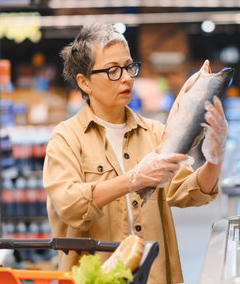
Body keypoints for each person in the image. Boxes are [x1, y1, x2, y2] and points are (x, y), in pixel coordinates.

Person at [42, 22, 228, 284]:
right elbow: (70, 206)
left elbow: (189, 192)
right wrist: (134, 180)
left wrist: (214, 159)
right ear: (85, 82)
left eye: (129, 67)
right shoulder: (66, 139)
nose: (127, 77)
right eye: (113, 71)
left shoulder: (153, 132)